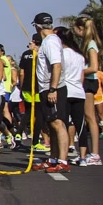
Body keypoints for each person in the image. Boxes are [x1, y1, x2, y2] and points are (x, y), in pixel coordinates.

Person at [30, 13, 70, 171]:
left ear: (37, 26)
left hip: (53, 88)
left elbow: (57, 65)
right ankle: (53, 159)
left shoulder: (50, 41)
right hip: (47, 88)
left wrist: (53, 89)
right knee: (51, 124)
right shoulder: (49, 41)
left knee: (57, 123)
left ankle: (63, 161)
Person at [73, 18, 103, 164]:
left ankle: (95, 153)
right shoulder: (86, 43)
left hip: (89, 81)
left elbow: (94, 67)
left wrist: (79, 71)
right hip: (86, 81)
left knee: (90, 117)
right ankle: (90, 152)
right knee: (86, 116)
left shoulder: (91, 44)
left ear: (80, 28)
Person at [57, 29, 89, 164]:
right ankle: (82, 157)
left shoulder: (61, 54)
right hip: (79, 92)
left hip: (65, 91)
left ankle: (62, 156)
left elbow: (58, 72)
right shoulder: (79, 56)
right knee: (80, 124)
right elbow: (81, 77)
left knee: (62, 124)